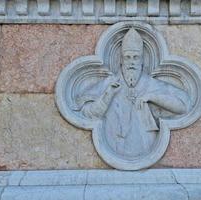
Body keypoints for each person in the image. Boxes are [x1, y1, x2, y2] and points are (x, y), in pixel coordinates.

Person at [74, 28, 190, 158]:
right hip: (113, 146)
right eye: (127, 57)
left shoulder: (152, 84)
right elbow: (86, 111)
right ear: (121, 60)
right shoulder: (109, 84)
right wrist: (107, 96)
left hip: (147, 147)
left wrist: (152, 97)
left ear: (142, 61)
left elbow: (183, 106)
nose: (131, 62)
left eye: (136, 57)